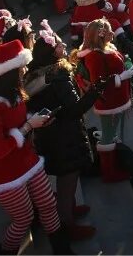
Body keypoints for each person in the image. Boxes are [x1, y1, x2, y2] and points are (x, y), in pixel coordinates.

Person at [0, 39, 72, 255]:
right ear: (10, 71)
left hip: (27, 160)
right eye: (22, 66)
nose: (25, 70)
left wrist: (34, 120)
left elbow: (18, 121)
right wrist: (27, 127)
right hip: (5, 171)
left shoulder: (14, 90)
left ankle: (62, 250)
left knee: (48, 205)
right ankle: (6, 251)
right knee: (23, 218)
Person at [24, 21, 105, 241]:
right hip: (65, 137)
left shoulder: (37, 75)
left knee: (65, 177)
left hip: (51, 136)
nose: (63, 45)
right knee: (68, 178)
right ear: (52, 52)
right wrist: (94, 93)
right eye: (59, 45)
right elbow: (73, 110)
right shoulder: (58, 76)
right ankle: (66, 224)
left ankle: (69, 207)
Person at [75, 18, 133, 202]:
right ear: (99, 34)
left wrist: (127, 64)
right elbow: (100, 83)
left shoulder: (107, 48)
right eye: (108, 30)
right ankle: (109, 171)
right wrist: (122, 76)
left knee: (114, 135)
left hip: (118, 100)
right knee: (108, 136)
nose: (112, 32)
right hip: (109, 104)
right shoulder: (94, 56)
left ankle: (116, 160)